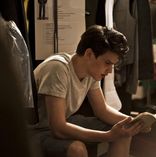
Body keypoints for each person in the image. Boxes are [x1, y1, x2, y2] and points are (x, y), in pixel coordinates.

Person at [32, 25, 145, 157]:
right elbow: (58, 127)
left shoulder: (91, 71)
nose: (109, 71)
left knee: (124, 131)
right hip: (36, 131)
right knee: (77, 149)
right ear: (89, 54)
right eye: (107, 63)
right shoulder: (57, 68)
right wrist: (107, 136)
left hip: (63, 122)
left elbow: (102, 110)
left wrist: (135, 121)